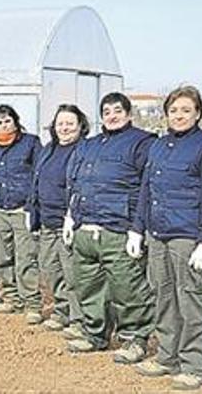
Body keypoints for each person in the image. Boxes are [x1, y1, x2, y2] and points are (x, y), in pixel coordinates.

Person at [131, 86, 202, 390]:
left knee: (191, 300)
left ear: (198, 113)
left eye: (186, 110)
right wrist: (137, 228)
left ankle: (194, 365)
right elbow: (146, 190)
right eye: (174, 110)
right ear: (166, 114)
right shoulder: (159, 146)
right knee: (163, 296)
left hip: (189, 237)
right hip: (157, 234)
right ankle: (167, 356)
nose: (179, 115)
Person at [64, 92, 155, 364]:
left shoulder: (143, 142)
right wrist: (71, 216)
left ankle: (135, 338)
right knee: (89, 286)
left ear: (128, 114)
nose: (112, 116)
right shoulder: (88, 145)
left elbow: (147, 188)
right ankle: (95, 334)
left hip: (118, 229)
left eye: (117, 110)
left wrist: (138, 229)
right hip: (86, 227)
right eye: (106, 112)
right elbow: (76, 182)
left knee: (128, 287)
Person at [26, 104, 89, 336]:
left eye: (70, 123)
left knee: (72, 273)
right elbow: (36, 181)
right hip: (46, 220)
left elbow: (82, 186)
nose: (64, 128)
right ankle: (62, 311)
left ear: (80, 126)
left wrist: (73, 216)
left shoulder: (83, 150)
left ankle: (79, 320)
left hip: (69, 222)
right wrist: (30, 210)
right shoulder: (48, 149)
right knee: (50, 269)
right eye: (60, 123)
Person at [0, 104, 43, 324]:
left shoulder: (30, 143)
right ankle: (12, 298)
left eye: (7, 120)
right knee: (3, 255)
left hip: (21, 209)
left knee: (26, 257)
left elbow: (39, 175)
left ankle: (33, 304)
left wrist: (33, 206)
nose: (4, 125)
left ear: (16, 121)